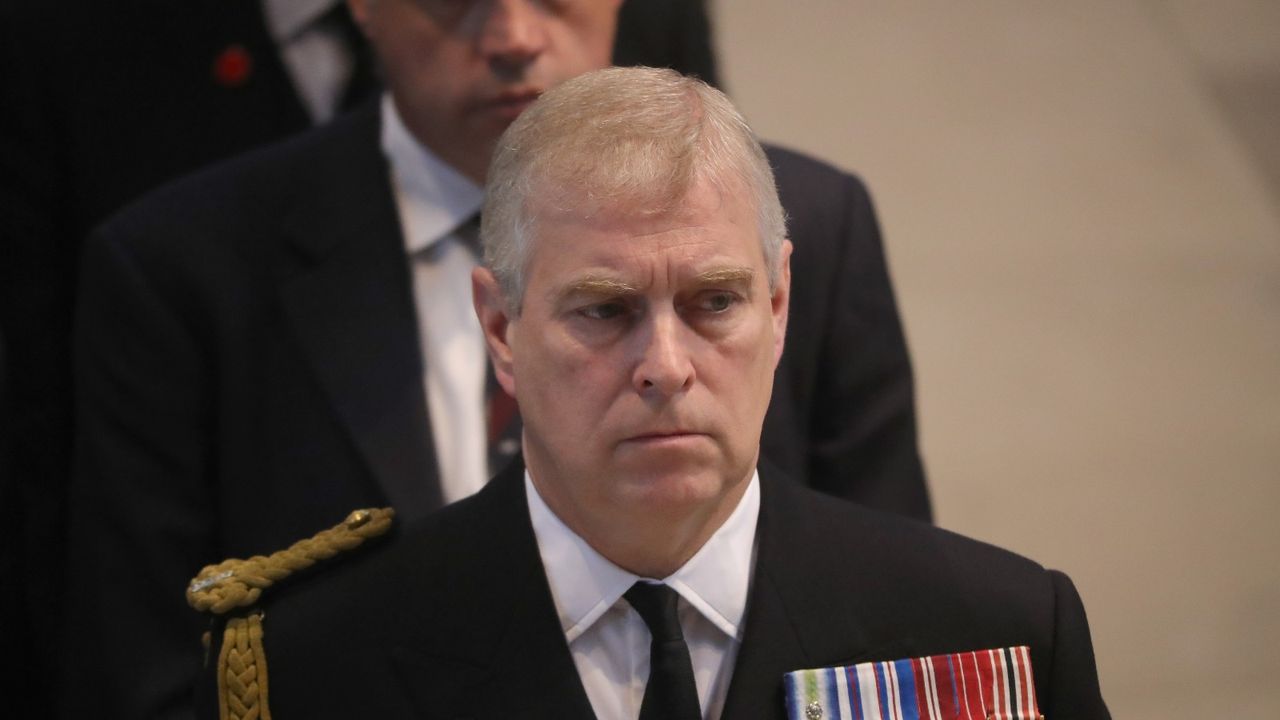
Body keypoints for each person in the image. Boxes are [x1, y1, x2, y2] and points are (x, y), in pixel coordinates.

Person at [61, 1, 926, 716]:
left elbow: (889, 617)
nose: (513, 34)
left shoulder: (813, 222)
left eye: (711, 303)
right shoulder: (185, 266)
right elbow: (144, 672)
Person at [190, 67, 1108, 720]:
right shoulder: (319, 662)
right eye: (603, 309)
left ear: (780, 306)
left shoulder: (996, 631)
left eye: (715, 302)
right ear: (502, 330)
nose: (665, 363)